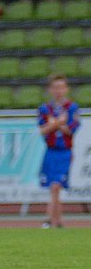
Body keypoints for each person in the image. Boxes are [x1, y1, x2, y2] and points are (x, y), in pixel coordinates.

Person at [38, 73, 80, 229]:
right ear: (50, 89)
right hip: (50, 152)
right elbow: (42, 130)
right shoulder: (45, 109)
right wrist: (58, 123)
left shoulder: (72, 108)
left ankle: (48, 219)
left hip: (65, 152)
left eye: (61, 87)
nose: (58, 91)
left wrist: (54, 124)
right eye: (55, 87)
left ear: (66, 89)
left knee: (56, 186)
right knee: (53, 187)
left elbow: (71, 130)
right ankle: (60, 221)